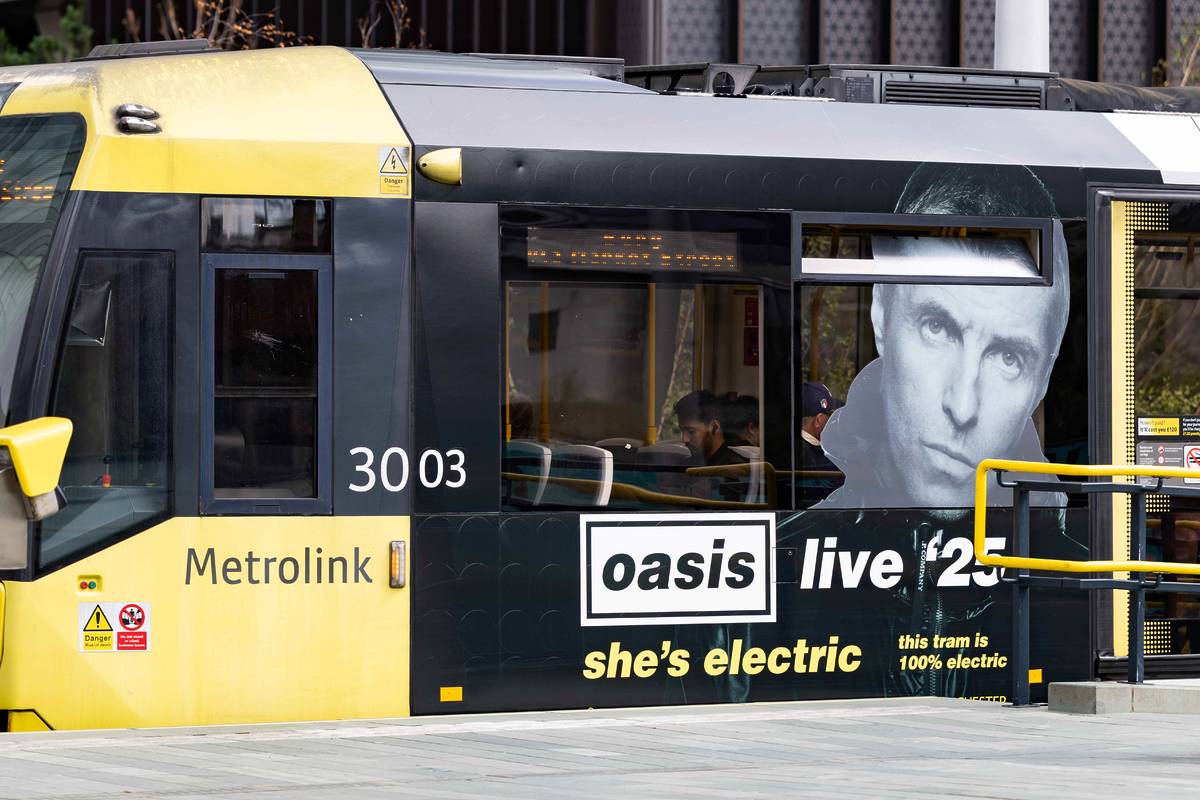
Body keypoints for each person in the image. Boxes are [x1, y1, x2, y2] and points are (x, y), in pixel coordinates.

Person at [817, 163, 1070, 509]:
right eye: (937, 328)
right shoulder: (803, 539)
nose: (962, 407)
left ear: (1043, 381)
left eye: (1008, 358)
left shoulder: (1070, 558)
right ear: (881, 313)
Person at [674, 390, 747, 467]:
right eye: (682, 431)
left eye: (691, 431)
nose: (684, 439)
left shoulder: (732, 466)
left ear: (714, 427)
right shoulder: (687, 465)